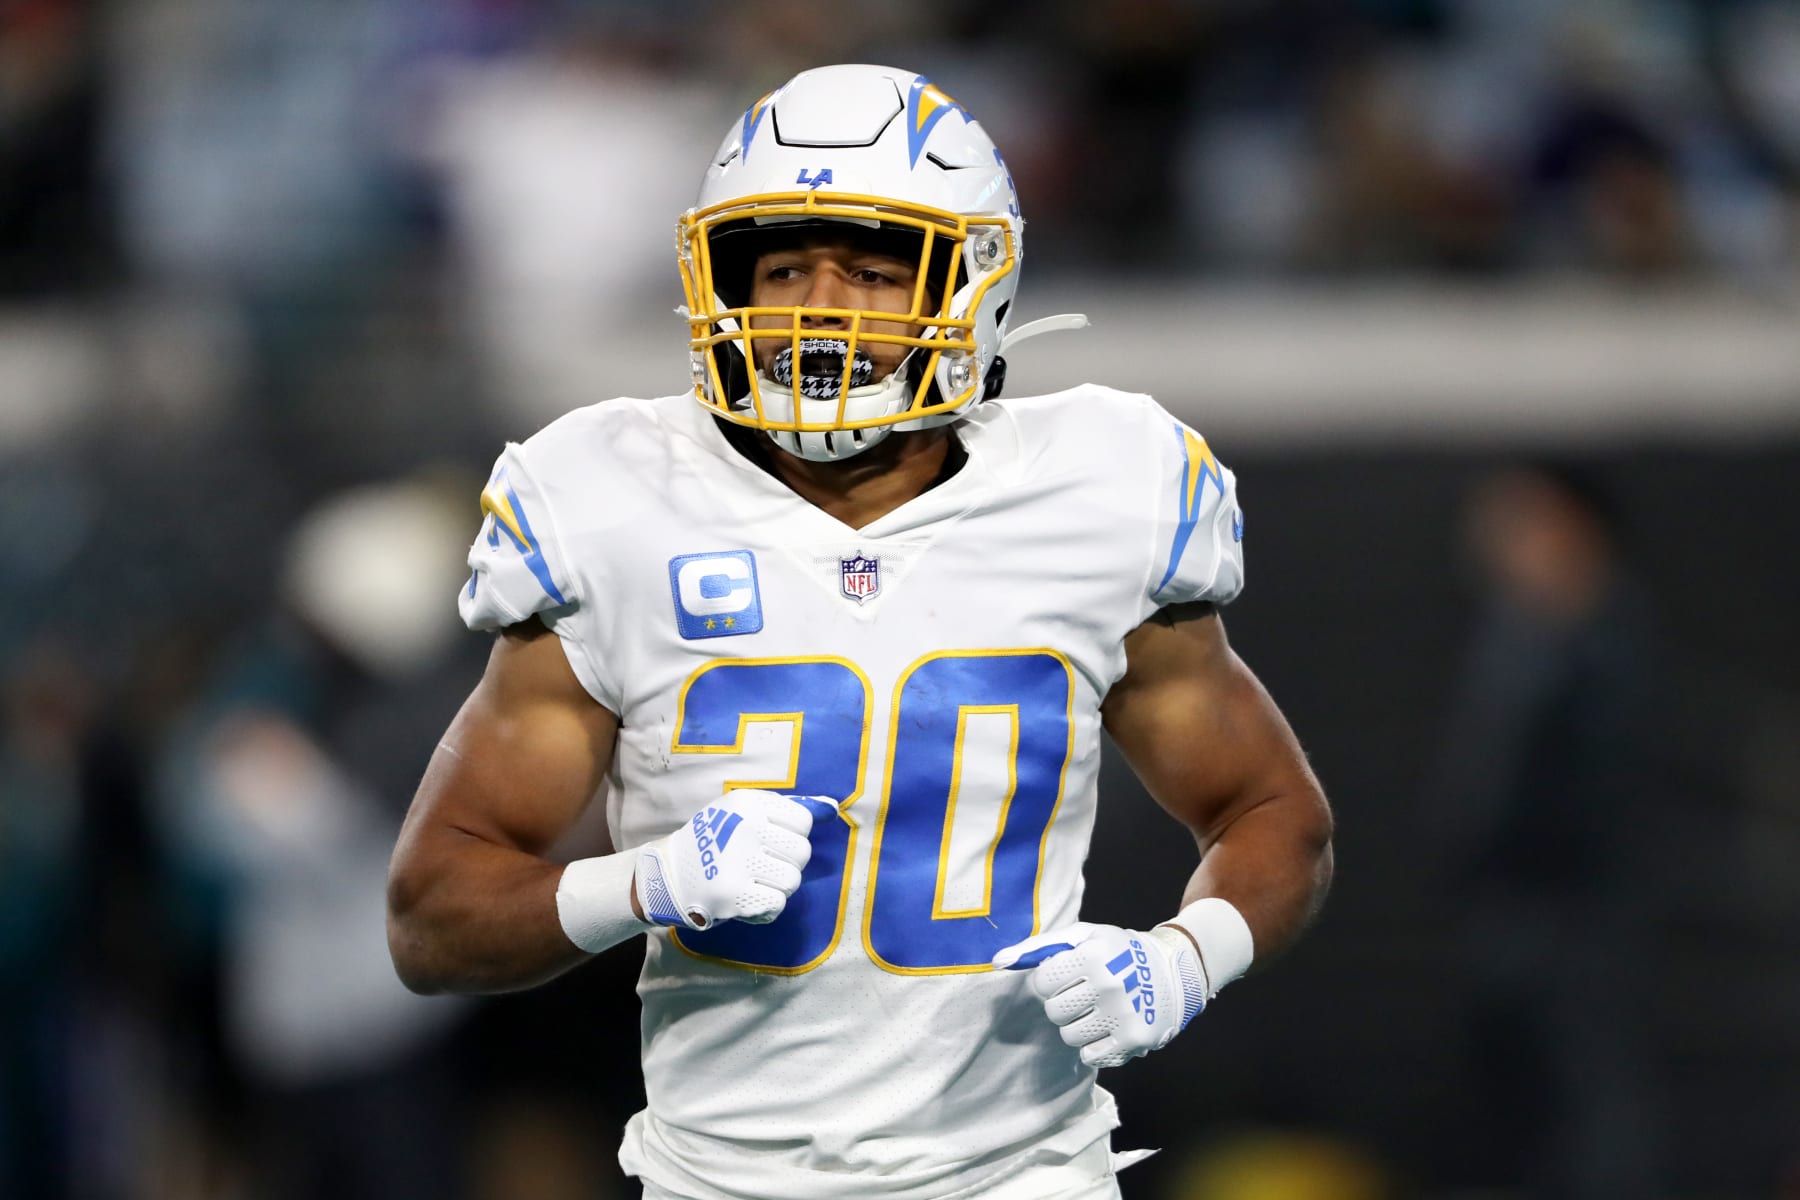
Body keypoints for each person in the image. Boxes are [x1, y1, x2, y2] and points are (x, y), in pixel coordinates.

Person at [387, 64, 1334, 1200]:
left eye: (875, 272)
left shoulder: (1102, 488)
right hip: (720, 1182)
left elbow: (1277, 817)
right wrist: (644, 884)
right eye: (783, 267)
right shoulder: (613, 497)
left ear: (975, 286)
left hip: (1021, 1176)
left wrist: (1185, 960)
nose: (819, 307)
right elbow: (430, 918)